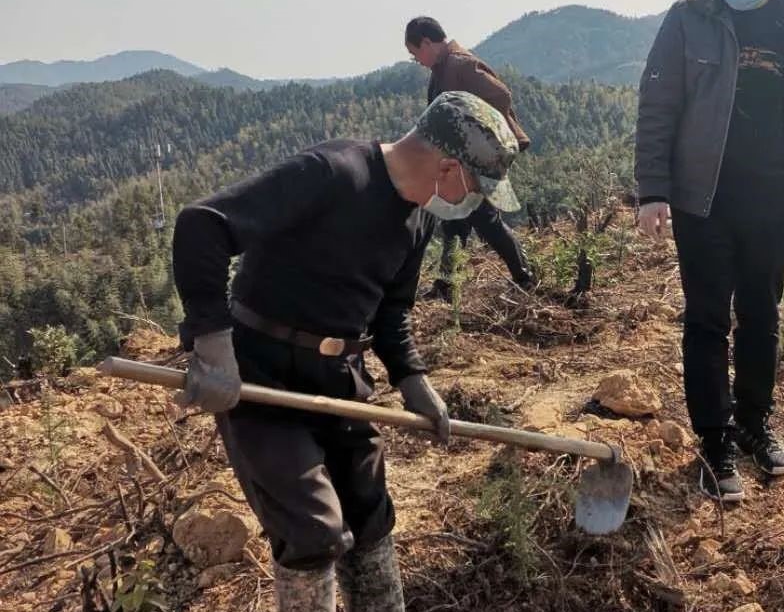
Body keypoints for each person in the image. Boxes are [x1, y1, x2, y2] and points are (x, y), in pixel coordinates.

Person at [171, 91, 521, 611]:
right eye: (476, 188)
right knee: (314, 532)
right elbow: (202, 225)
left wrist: (411, 378)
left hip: (340, 377)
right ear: (449, 167)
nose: (475, 202)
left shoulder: (419, 216)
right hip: (263, 377)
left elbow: (390, 311)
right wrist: (213, 344)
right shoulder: (332, 174)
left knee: (370, 513)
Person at [635, 0, 784, 502]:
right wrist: (652, 191)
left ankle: (754, 422)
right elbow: (657, 107)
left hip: (774, 203)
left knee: (762, 315)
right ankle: (715, 439)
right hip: (703, 203)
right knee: (706, 321)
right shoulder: (688, 18)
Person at [405, 16, 535, 300]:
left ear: (427, 42)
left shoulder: (461, 65)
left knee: (484, 219)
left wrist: (480, 138)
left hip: (478, 161)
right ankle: (447, 286)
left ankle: (524, 277)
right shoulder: (443, 68)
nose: (419, 61)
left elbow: (501, 95)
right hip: (463, 163)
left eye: (416, 55)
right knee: (454, 219)